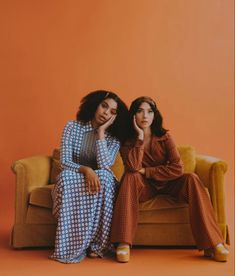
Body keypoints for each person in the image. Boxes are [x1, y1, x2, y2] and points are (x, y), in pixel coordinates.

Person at [111, 96, 229, 263]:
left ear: (154, 115)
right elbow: (132, 167)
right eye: (140, 111)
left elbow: (178, 168)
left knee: (192, 178)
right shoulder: (127, 140)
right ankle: (123, 242)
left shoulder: (165, 137)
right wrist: (139, 137)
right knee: (131, 176)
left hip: (168, 183)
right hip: (144, 187)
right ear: (133, 116)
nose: (145, 116)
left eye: (149, 112)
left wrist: (147, 171)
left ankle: (214, 243)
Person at [50, 90, 129, 263]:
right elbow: (64, 162)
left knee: (106, 177)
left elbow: (104, 166)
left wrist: (101, 132)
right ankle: (70, 245)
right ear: (95, 104)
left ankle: (98, 245)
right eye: (104, 106)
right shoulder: (72, 127)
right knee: (65, 176)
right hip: (76, 177)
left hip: (100, 184)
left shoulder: (113, 138)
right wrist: (86, 170)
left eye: (112, 112)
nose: (106, 112)